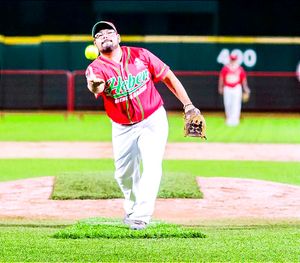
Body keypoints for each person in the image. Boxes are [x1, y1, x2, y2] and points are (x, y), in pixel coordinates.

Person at [85, 21, 204, 230]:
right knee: (123, 175)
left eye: (108, 32)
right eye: (99, 35)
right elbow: (96, 86)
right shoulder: (96, 68)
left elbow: (168, 76)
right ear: (95, 44)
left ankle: (141, 216)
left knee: (152, 166)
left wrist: (189, 105)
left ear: (118, 37)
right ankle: (132, 208)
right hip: (122, 127)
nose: (104, 36)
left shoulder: (141, 55)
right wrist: (95, 84)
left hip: (153, 120)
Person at [218, 53, 251, 126]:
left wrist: (245, 88)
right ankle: (229, 119)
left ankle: (235, 120)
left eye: (234, 59)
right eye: (232, 59)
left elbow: (243, 80)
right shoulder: (225, 68)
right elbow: (221, 78)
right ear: (230, 59)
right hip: (227, 87)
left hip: (236, 87)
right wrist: (220, 87)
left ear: (236, 59)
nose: (232, 60)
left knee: (236, 104)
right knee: (228, 104)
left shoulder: (239, 68)